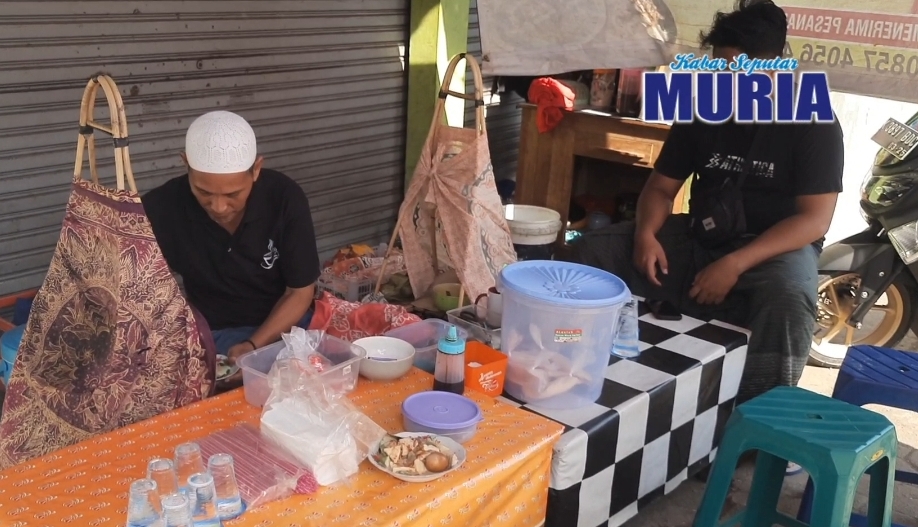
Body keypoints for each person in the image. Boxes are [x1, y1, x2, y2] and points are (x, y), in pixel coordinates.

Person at [572, 0, 844, 404]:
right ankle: (581, 368)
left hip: (773, 249)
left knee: (790, 296)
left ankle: (754, 421)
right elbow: (661, 189)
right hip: (703, 234)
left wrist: (734, 264)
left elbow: (814, 221)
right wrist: (647, 234)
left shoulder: (813, 121)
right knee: (593, 252)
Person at [143, 110, 321, 363]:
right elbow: (143, 289)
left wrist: (252, 344)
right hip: (212, 333)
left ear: (256, 169)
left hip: (285, 325)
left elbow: (300, 292)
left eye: (233, 195)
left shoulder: (284, 198)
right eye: (203, 192)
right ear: (185, 163)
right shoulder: (161, 207)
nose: (218, 207)